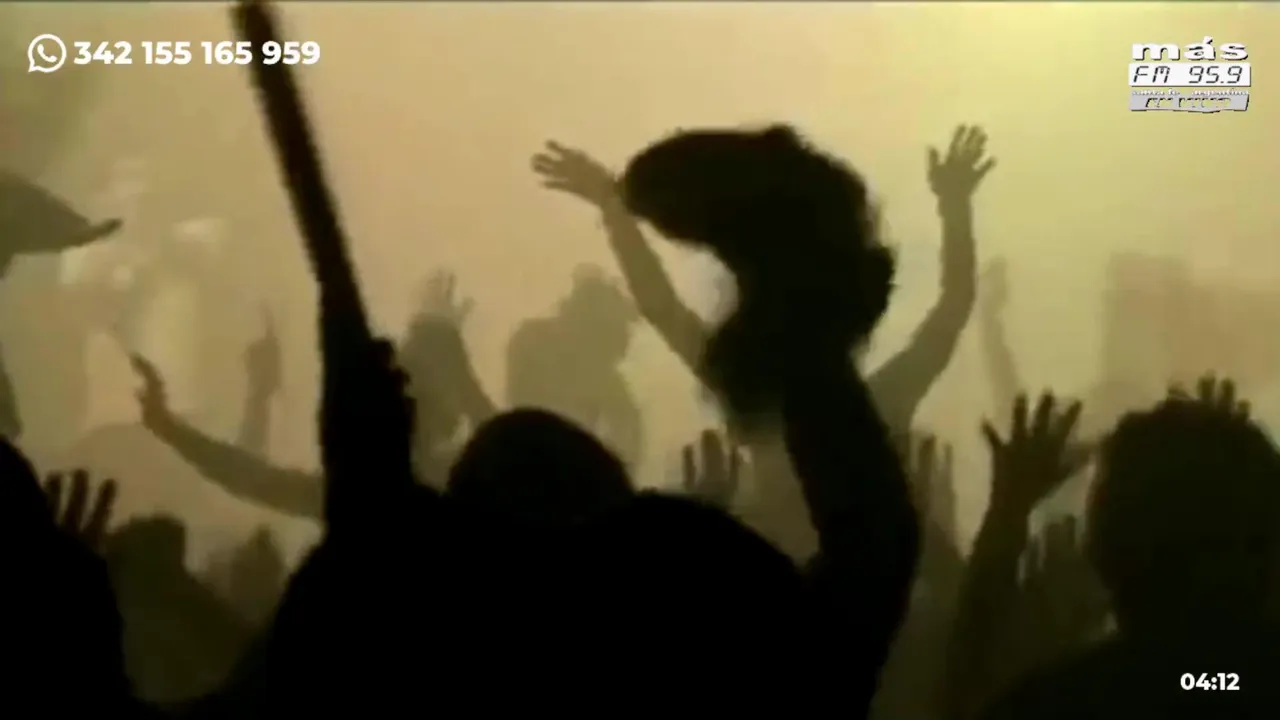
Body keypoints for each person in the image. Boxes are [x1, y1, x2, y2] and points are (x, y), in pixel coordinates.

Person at [532, 125, 989, 560]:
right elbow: (953, 308)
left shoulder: (750, 387)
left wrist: (614, 210)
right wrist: (955, 208)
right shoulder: (872, 403)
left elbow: (661, 306)